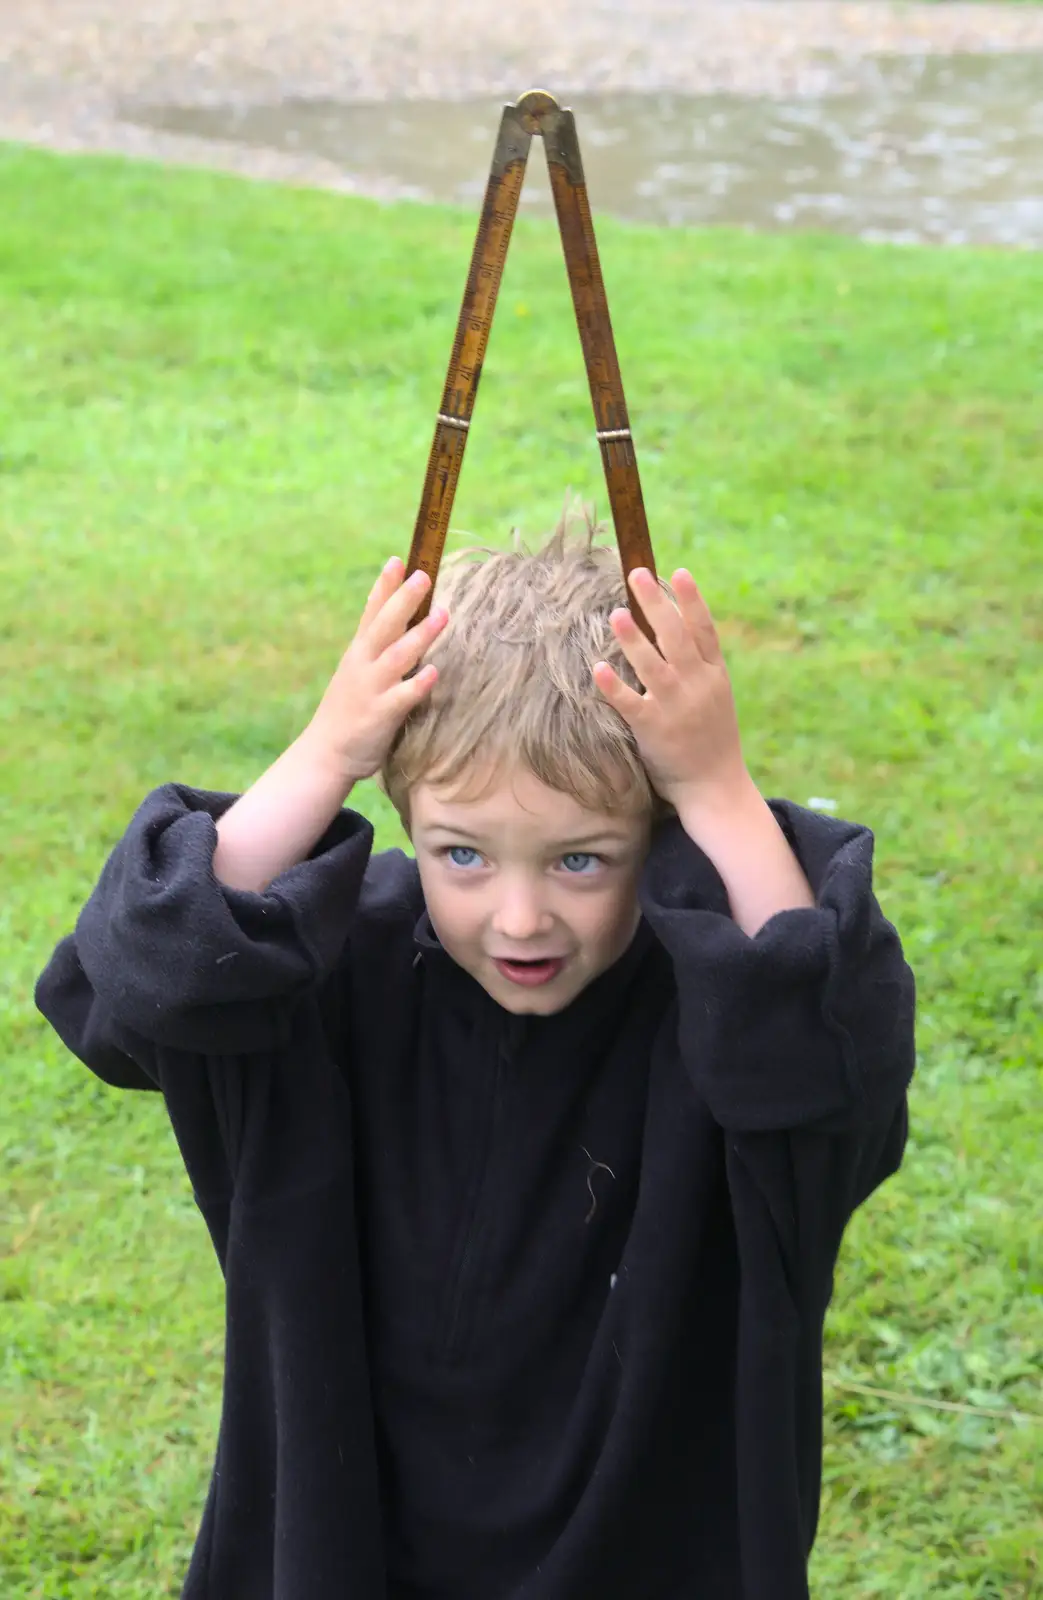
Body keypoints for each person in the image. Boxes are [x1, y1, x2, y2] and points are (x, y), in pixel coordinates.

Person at [35, 510, 916, 1600]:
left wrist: (717, 788)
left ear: (659, 837)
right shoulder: (329, 980)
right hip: (347, 1535)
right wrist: (327, 750)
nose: (517, 917)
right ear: (402, 813)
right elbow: (129, 978)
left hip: (638, 1541)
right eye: (461, 852)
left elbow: (833, 1062)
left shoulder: (710, 1014)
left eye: (581, 860)